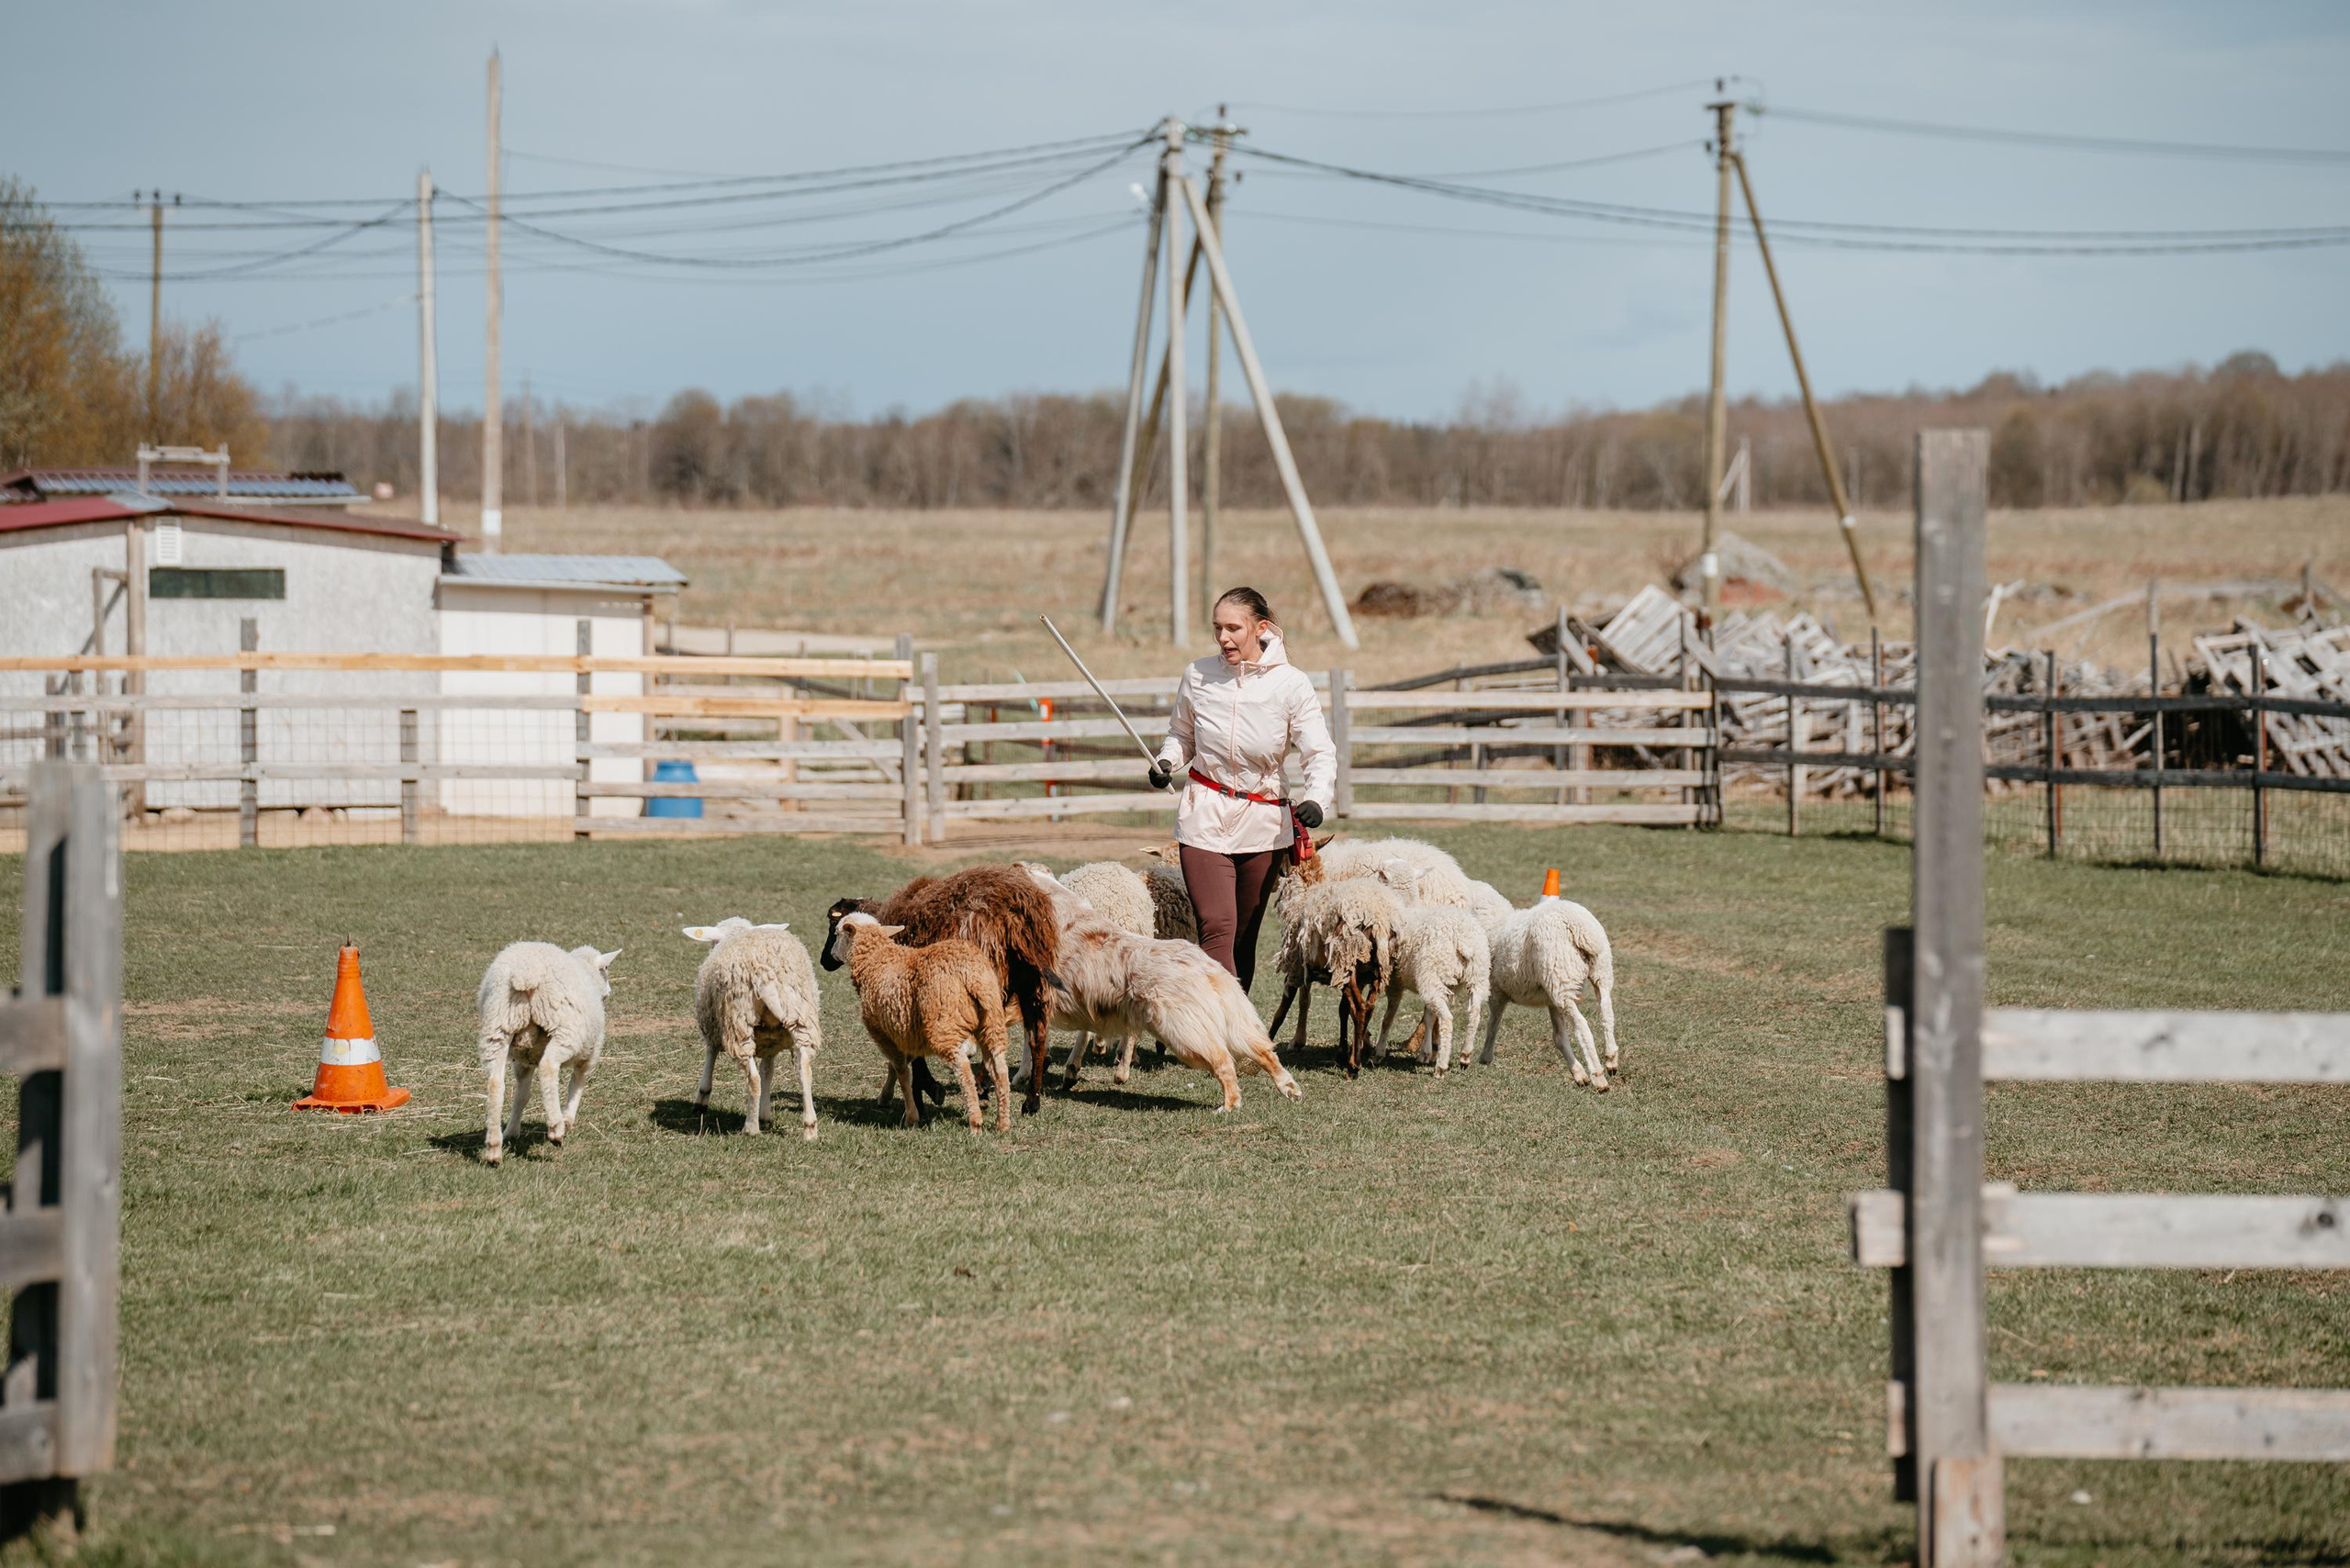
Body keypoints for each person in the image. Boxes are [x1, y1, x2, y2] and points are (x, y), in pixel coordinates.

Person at [1147, 587, 1336, 990]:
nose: (1223, 638)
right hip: (1204, 814)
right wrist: (1166, 761)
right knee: (1216, 926)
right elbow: (1181, 735)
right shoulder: (1197, 674)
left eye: (1233, 628)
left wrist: (1318, 799)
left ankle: (1234, 1031)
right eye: (1217, 628)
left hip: (1264, 822)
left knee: (1243, 937)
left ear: (1260, 628)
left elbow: (1319, 752)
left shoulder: (1291, 684)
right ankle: (1220, 1030)